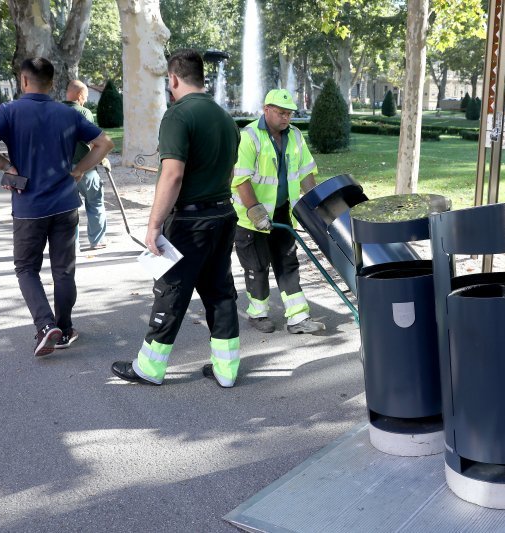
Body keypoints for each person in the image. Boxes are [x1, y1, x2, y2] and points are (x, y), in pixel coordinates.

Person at [111, 49, 241, 388]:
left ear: (173, 78)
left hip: (189, 223)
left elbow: (172, 175)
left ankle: (150, 368)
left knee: (171, 291)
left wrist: (154, 225)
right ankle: (226, 371)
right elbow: (229, 169)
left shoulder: (178, 115)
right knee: (220, 291)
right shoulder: (225, 118)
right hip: (223, 214)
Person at [0, 58, 114, 356]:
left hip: (28, 206)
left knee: (26, 268)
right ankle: (64, 328)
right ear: (52, 82)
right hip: (65, 204)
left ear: (24, 81)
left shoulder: (9, 111)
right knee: (64, 271)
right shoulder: (68, 113)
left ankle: (46, 326)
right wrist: (79, 170)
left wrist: (7, 166)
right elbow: (104, 144)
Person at [232, 89, 325, 335]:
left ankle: (298, 317)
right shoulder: (250, 136)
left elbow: (306, 173)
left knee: (288, 263)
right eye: (281, 113)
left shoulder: (295, 136)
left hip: (282, 212)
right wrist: (255, 210)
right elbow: (241, 179)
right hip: (251, 218)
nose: (286, 118)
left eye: (289, 114)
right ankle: (258, 313)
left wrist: (316, 205)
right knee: (258, 266)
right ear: (266, 110)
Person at [63, 80, 108, 250]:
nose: (85, 100)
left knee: (68, 207)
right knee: (95, 201)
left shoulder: (54, 111)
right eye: (86, 96)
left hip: (61, 168)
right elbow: (93, 141)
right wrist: (102, 157)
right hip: (84, 166)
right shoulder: (84, 112)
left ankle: (71, 245)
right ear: (80, 95)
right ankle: (97, 240)